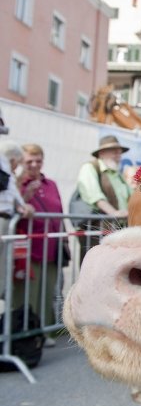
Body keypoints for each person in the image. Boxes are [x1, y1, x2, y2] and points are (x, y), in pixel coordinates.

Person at [14, 144, 65, 345]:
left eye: (38, 160)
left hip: (51, 248)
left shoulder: (50, 184)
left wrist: (64, 240)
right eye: (29, 161)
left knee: (47, 291)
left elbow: (59, 212)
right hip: (27, 249)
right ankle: (23, 333)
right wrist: (25, 195)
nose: (34, 165)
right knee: (26, 293)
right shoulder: (15, 183)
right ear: (21, 162)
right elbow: (11, 209)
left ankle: (45, 331)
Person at [74, 136, 131, 253]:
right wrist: (114, 213)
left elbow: (130, 196)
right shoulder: (90, 168)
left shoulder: (118, 175)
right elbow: (95, 196)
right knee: (95, 267)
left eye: (119, 151)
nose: (118, 153)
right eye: (113, 150)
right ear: (102, 153)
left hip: (116, 230)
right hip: (97, 230)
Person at [0, 141, 34, 299]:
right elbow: (14, 194)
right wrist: (23, 206)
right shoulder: (4, 166)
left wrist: (21, 206)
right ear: (13, 160)